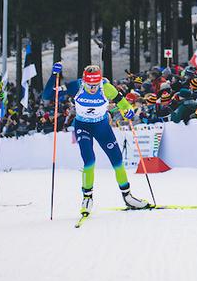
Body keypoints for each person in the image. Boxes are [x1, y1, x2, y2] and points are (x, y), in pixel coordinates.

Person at [41, 63, 151, 216]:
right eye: (89, 85)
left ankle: (128, 197)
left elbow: (123, 103)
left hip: (102, 126)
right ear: (84, 81)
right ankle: (87, 198)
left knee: (117, 160)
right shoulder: (76, 86)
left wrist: (129, 111)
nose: (92, 88)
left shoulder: (106, 87)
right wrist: (54, 75)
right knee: (89, 160)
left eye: (95, 85)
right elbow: (47, 96)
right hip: (82, 126)